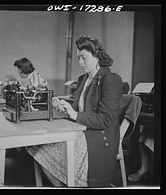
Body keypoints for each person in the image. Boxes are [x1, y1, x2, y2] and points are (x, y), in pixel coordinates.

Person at [26, 35, 123, 187]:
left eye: (84, 57)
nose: (80, 62)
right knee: (35, 145)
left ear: (97, 55)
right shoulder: (83, 79)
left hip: (97, 140)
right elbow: (77, 107)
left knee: (41, 148)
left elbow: (106, 120)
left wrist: (74, 114)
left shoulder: (111, 79)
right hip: (81, 132)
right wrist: (62, 105)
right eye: (78, 58)